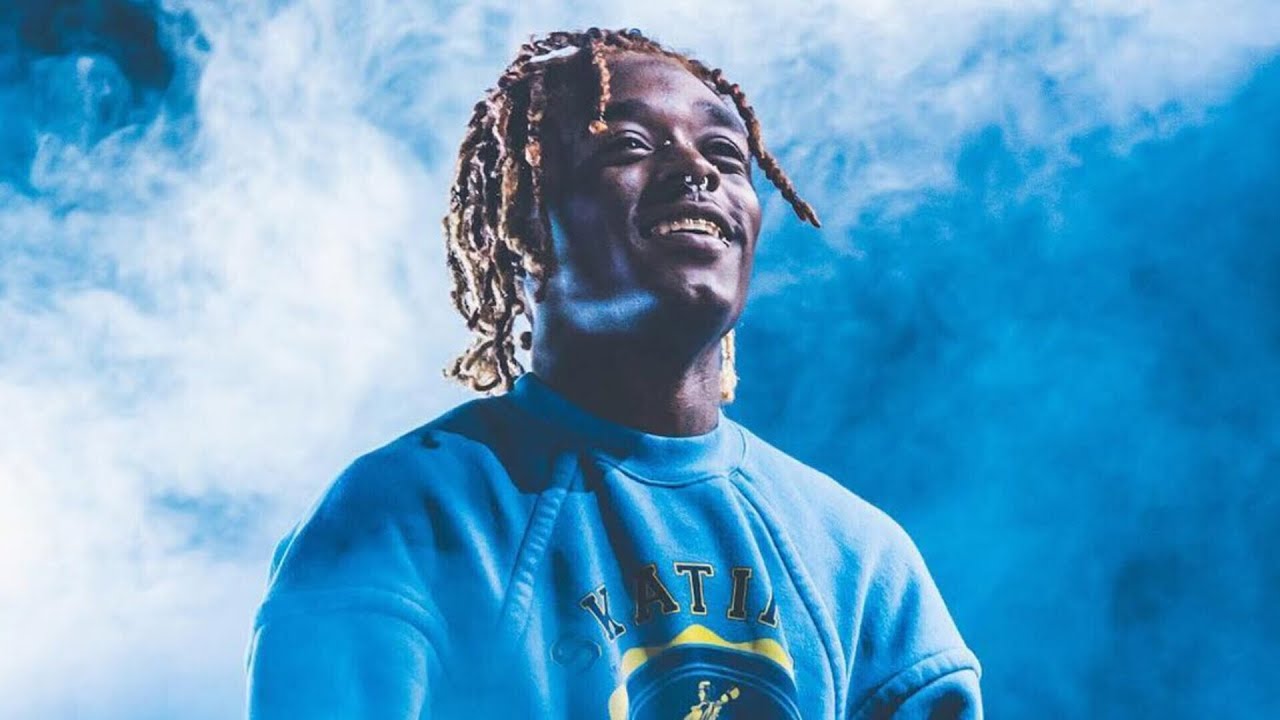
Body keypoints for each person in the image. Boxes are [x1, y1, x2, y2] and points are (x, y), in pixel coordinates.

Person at [246, 27, 982, 719]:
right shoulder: (408, 513)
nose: (697, 169)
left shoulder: (861, 561)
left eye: (726, 155)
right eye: (628, 144)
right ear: (523, 223)